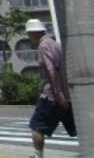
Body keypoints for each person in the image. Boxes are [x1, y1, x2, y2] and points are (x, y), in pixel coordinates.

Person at [26, 18, 76, 157]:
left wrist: (57, 92)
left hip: (51, 96)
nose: (29, 38)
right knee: (77, 128)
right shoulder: (56, 44)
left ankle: (38, 156)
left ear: (34, 33)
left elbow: (52, 68)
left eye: (29, 34)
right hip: (67, 94)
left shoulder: (44, 46)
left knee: (37, 127)